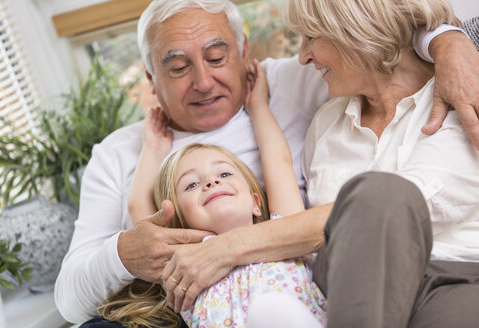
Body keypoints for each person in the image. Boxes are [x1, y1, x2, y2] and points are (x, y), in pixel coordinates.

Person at [54, 0, 479, 325]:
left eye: (217, 59)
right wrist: (123, 254)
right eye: (178, 68)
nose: (203, 81)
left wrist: (450, 40)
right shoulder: (121, 151)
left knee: (377, 196)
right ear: (150, 79)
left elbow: (382, 39)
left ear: (243, 53)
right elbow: (70, 297)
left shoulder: (292, 86)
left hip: (338, 289)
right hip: (216, 304)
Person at [251, 0, 479, 326]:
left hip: (454, 277)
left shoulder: (464, 91)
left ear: (357, 29)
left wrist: (229, 248)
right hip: (348, 281)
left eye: (311, 37)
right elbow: (303, 226)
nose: (303, 57)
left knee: (379, 196)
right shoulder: (325, 125)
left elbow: (414, 202)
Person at [97, 60, 326, 328]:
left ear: (254, 202)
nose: (211, 182)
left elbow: (278, 160)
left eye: (224, 174)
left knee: (271, 311)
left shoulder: (284, 230)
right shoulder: (181, 265)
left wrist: (258, 106)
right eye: (191, 185)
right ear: (178, 221)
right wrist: (153, 147)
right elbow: (138, 203)